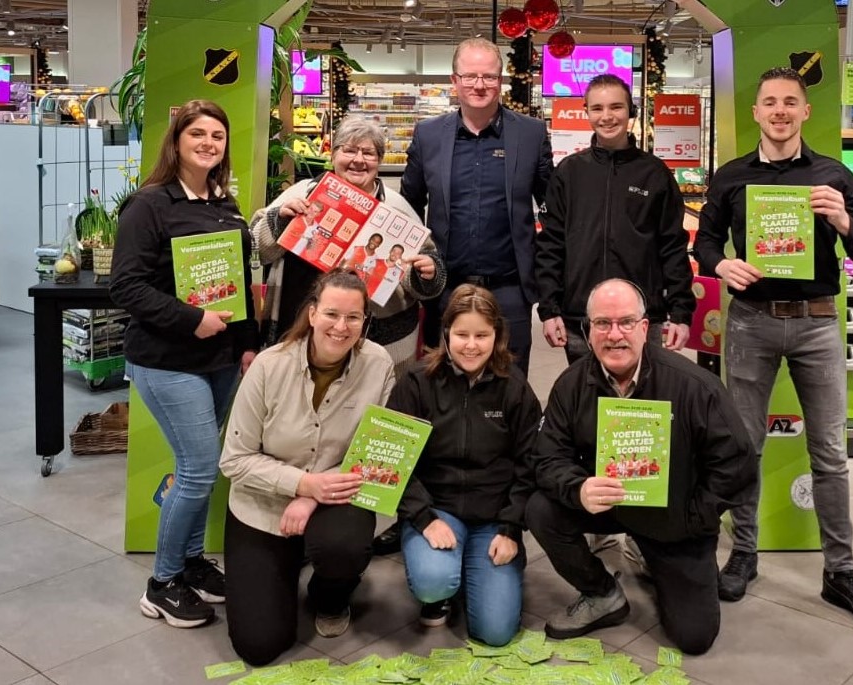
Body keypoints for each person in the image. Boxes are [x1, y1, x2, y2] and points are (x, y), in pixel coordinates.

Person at [693, 67, 853, 631]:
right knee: (745, 447)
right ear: (755, 112)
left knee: (829, 453)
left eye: (789, 102)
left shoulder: (833, 176)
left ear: (805, 111)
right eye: (769, 102)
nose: (779, 111)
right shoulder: (731, 177)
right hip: (751, 322)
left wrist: (843, 218)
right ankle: (745, 553)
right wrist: (720, 265)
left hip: (816, 323)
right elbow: (706, 241)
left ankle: (841, 571)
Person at [526, 279, 756, 655]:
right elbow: (547, 457)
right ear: (588, 329)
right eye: (603, 323)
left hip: (674, 520)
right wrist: (578, 488)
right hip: (608, 505)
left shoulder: (695, 386)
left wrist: (694, 516)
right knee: (540, 508)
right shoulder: (571, 385)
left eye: (626, 322)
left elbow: (738, 464)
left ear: (645, 327)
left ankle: (661, 561)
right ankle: (602, 593)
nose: (614, 334)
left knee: (694, 637)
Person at [109, 99, 258, 629]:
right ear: (176, 142)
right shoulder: (149, 205)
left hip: (220, 359)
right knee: (197, 468)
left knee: (200, 467)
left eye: (217, 135)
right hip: (168, 359)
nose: (208, 143)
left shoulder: (225, 204)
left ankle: (192, 562)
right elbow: (125, 286)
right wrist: (191, 319)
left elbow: (238, 283)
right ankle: (162, 582)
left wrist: (247, 343)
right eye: (198, 134)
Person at [219, 269, 396, 665]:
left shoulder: (378, 364)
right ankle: (286, 560)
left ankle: (329, 595)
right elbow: (234, 460)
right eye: (332, 314)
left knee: (343, 548)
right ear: (312, 313)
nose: (341, 326)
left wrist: (313, 494)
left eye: (353, 317)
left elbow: (376, 453)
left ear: (365, 321)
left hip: (336, 496)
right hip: (262, 505)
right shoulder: (269, 366)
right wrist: (299, 483)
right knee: (259, 645)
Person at [386, 284, 541, 646]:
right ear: (446, 333)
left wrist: (511, 528)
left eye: (481, 335)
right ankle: (442, 586)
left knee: (496, 632)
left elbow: (531, 462)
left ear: (497, 335)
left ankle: (478, 572)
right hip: (437, 509)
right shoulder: (416, 383)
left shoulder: (515, 387)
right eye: (462, 335)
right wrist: (423, 517)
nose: (471, 345)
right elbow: (392, 460)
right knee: (433, 581)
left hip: (494, 516)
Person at [399, 36, 553, 375]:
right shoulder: (428, 135)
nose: (479, 85)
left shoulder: (530, 135)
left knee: (510, 382)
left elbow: (553, 210)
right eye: (469, 76)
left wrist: (544, 277)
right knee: (442, 382)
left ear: (501, 80)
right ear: (454, 80)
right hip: (445, 288)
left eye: (489, 76)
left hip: (510, 290)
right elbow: (408, 205)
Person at [251, 115, 447, 365]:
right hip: (299, 335)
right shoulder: (302, 194)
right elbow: (255, 249)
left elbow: (425, 271)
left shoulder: (396, 208)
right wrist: (279, 221)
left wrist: (426, 274)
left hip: (379, 346)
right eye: (349, 150)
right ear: (333, 155)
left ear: (379, 161)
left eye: (369, 153)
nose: (358, 160)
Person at [537, 74, 694, 363]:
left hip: (642, 320)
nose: (607, 116)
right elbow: (551, 245)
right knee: (584, 392)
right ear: (586, 112)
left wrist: (681, 312)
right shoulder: (569, 173)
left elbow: (673, 246)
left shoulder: (654, 174)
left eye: (616, 107)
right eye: (597, 108)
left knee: (643, 393)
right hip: (581, 319)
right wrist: (549, 309)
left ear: (630, 111)